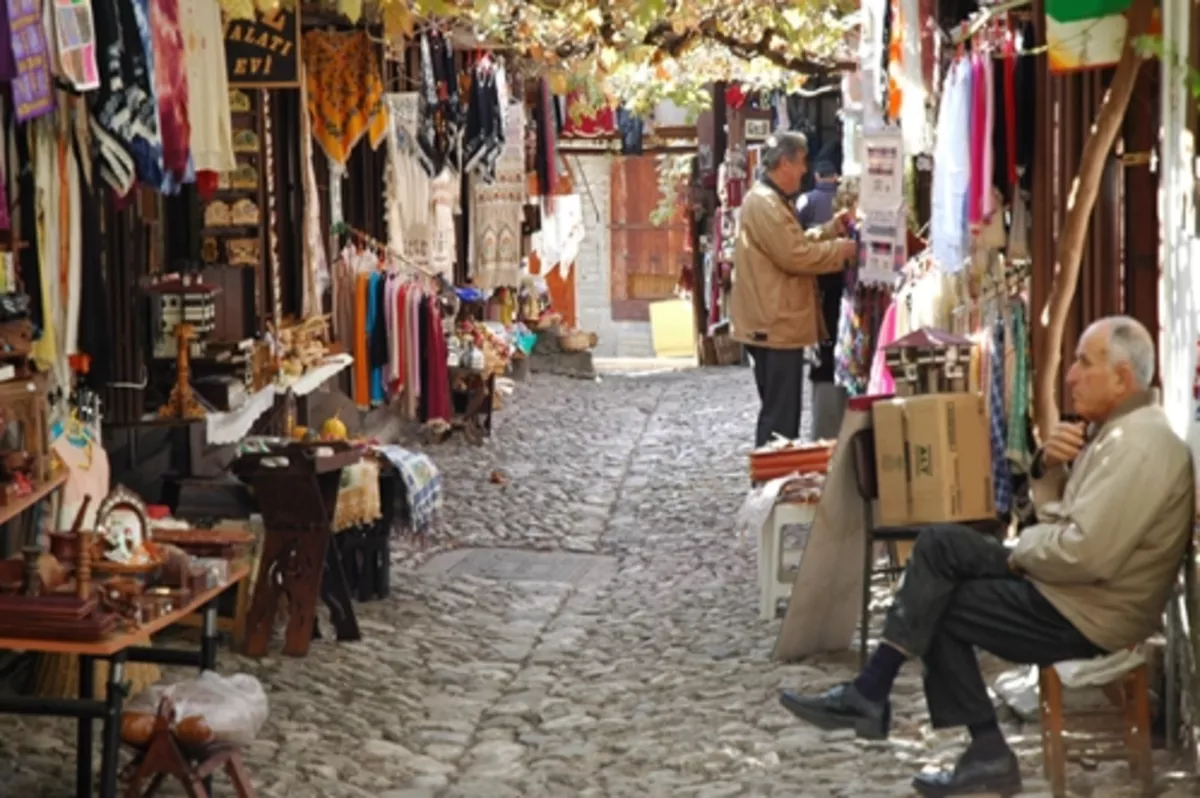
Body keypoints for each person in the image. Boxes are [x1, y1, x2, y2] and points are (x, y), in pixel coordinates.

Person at [779, 315, 1194, 797]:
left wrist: (1020, 553)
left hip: (1089, 611)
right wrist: (1045, 468)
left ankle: (927, 721)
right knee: (938, 549)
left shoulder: (1138, 444)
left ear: (1122, 378)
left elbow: (1086, 553)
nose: (1070, 375)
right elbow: (1064, 520)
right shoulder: (1115, 433)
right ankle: (889, 702)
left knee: (938, 599)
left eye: (1084, 363)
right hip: (1071, 590)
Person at [730, 132, 858, 448]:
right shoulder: (765, 203)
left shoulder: (770, 201)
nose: (804, 170)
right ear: (784, 163)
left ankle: (772, 482)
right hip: (773, 325)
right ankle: (769, 487)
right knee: (780, 420)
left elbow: (794, 244)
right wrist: (841, 251)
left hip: (776, 323)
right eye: (801, 162)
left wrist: (830, 230)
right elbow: (794, 256)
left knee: (781, 415)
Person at [796, 160, 848, 441]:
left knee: (825, 348)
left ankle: (824, 433)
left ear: (816, 174)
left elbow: (797, 244)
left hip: (819, 283)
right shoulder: (843, 204)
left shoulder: (806, 201)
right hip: (845, 280)